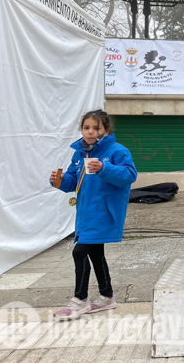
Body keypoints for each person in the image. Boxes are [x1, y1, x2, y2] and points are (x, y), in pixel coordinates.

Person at [49, 109, 138, 321]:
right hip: (85, 211)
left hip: (104, 211)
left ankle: (80, 300)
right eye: (86, 127)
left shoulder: (117, 151)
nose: (90, 132)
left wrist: (104, 168)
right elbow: (73, 180)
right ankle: (107, 296)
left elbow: (129, 175)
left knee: (79, 252)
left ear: (106, 130)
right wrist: (60, 181)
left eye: (96, 128)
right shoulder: (80, 153)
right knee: (96, 253)